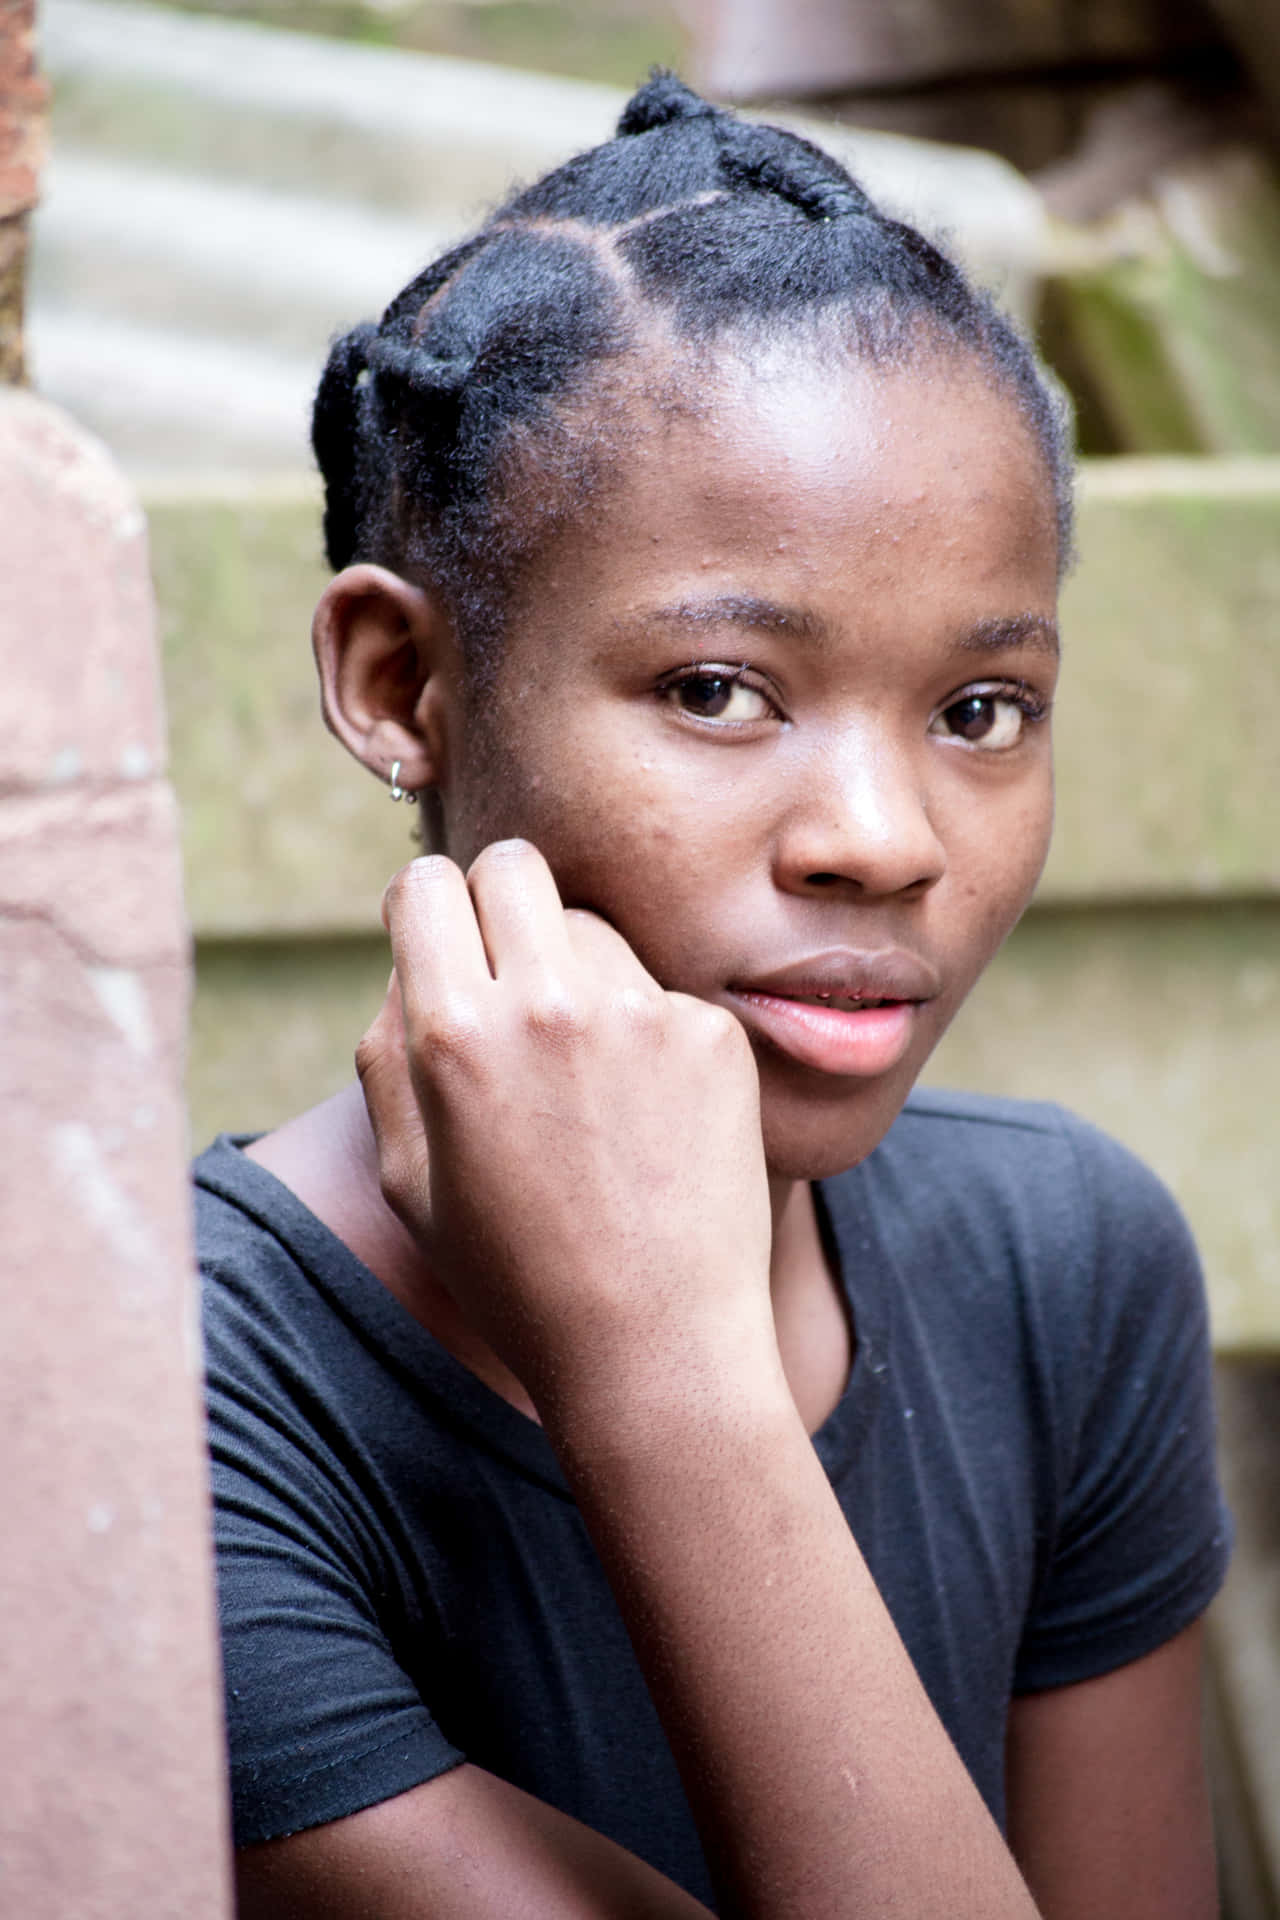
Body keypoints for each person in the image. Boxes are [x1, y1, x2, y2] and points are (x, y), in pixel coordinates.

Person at [197, 73, 1231, 1920]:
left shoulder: (1065, 1264)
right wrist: (667, 1368)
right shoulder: (168, 1416)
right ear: (399, 680)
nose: (882, 840)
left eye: (981, 712)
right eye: (717, 691)